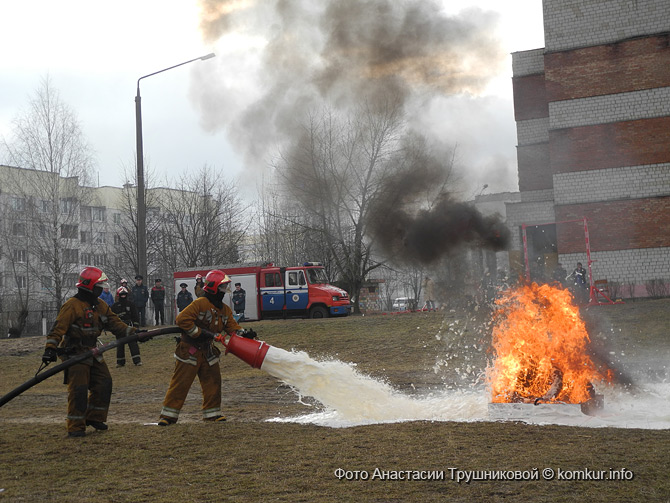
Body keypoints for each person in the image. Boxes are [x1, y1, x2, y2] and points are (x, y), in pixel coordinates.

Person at [41, 267, 137, 437]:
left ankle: (94, 417)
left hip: (93, 351)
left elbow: (115, 323)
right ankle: (76, 427)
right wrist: (50, 349)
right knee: (79, 389)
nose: (101, 288)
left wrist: (134, 333)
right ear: (90, 286)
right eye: (99, 285)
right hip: (75, 353)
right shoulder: (72, 305)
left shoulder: (100, 305)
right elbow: (57, 329)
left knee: (104, 382)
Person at [158, 270, 244, 426]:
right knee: (181, 382)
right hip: (189, 349)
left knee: (213, 381)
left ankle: (213, 414)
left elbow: (232, 327)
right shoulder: (199, 303)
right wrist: (200, 333)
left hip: (208, 351)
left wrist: (243, 334)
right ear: (213, 288)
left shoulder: (224, 309)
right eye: (222, 288)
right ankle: (168, 416)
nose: (224, 292)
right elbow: (182, 320)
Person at [111, 287, 142, 367]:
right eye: (122, 295)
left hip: (129, 327)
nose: (123, 296)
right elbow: (112, 318)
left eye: (125, 294)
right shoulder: (114, 306)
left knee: (133, 343)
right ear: (118, 295)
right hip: (119, 328)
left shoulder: (131, 304)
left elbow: (135, 316)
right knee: (120, 344)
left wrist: (135, 326)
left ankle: (137, 361)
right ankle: (120, 362)